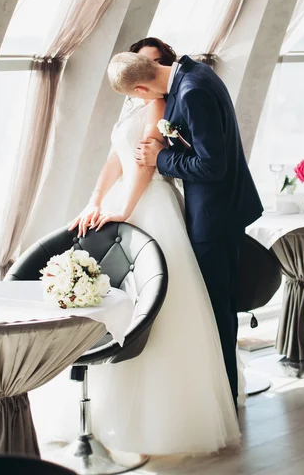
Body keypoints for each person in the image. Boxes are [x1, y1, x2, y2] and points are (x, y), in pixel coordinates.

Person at [59, 41, 242, 456]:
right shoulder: (156, 92)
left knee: (174, 310)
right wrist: (95, 199)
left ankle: (193, 410)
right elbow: (118, 156)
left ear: (140, 84)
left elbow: (147, 162)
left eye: (158, 59)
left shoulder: (173, 97)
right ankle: (111, 414)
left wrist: (125, 207)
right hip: (132, 199)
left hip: (155, 204)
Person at [109, 51, 264, 406]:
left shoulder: (192, 91)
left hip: (215, 216)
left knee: (218, 311)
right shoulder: (194, 72)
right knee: (220, 307)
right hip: (222, 210)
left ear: (143, 86)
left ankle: (225, 396)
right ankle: (225, 392)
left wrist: (159, 158)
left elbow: (212, 166)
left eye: (137, 96)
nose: (143, 103)